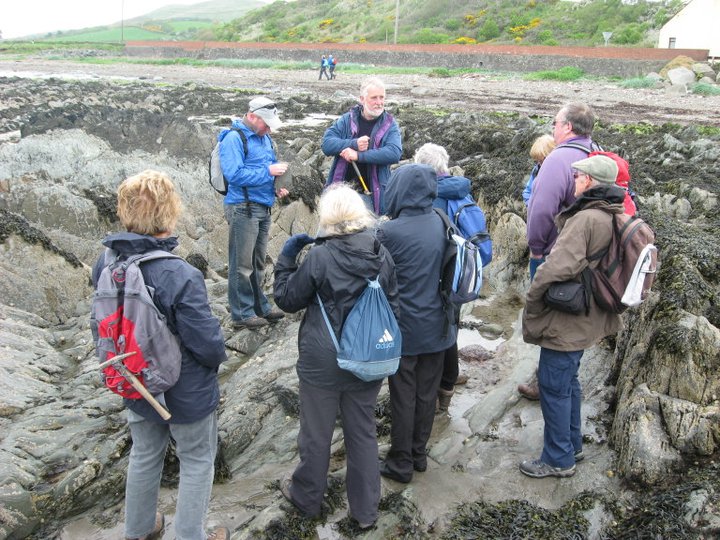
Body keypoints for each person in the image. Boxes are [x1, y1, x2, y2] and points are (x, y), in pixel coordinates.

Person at [91, 170, 229, 540]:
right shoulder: (179, 273)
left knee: (144, 455)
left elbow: (102, 323)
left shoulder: (106, 264)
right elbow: (206, 344)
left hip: (134, 377)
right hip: (185, 388)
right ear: (169, 213)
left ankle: (137, 530)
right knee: (198, 459)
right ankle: (190, 535)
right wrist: (218, 360)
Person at [273, 184, 398, 529]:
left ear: (327, 218)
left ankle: (307, 498)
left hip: (323, 359)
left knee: (316, 433)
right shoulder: (380, 252)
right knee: (362, 432)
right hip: (368, 357)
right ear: (360, 214)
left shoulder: (320, 256)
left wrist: (285, 260)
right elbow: (393, 304)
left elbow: (287, 299)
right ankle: (365, 512)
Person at [520, 155, 624, 479]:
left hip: (569, 318)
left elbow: (559, 266)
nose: (575, 180)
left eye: (579, 177)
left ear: (590, 182)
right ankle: (572, 444)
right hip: (589, 314)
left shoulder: (586, 218)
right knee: (569, 382)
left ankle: (558, 459)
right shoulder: (612, 214)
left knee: (553, 386)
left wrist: (534, 294)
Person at [377, 164, 457, 483]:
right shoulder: (442, 221)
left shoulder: (388, 232)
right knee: (427, 393)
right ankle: (418, 454)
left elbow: (376, 280)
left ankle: (400, 462)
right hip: (439, 324)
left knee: (403, 396)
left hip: (404, 328)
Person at [219, 96, 289, 329]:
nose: (269, 128)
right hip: (242, 207)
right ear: (251, 116)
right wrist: (268, 171)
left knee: (258, 262)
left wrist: (277, 187)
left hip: (263, 206)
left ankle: (261, 307)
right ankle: (242, 314)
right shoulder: (233, 138)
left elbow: (264, 170)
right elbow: (234, 175)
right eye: (266, 123)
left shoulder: (264, 138)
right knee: (241, 264)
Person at [413, 143, 472, 412]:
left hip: (434, 276)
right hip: (459, 274)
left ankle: (439, 388)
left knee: (438, 331)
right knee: (451, 327)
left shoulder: (428, 196)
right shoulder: (460, 190)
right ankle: (449, 382)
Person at [526, 102, 597, 281]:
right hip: (593, 253)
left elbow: (541, 210)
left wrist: (536, 250)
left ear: (568, 127)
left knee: (541, 307)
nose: (553, 128)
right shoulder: (598, 152)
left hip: (558, 254)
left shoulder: (556, 160)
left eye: (555, 123)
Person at [322, 76, 402, 215]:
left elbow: (394, 153)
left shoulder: (390, 124)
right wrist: (353, 143)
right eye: (374, 98)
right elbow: (327, 144)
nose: (379, 102)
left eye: (382, 97)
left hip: (372, 197)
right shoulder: (347, 119)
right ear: (362, 99)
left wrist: (358, 156)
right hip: (340, 194)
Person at [522, 134, 556, 206]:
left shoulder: (557, 172)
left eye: (541, 160)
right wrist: (530, 204)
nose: (539, 163)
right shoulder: (536, 169)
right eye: (537, 161)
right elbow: (528, 190)